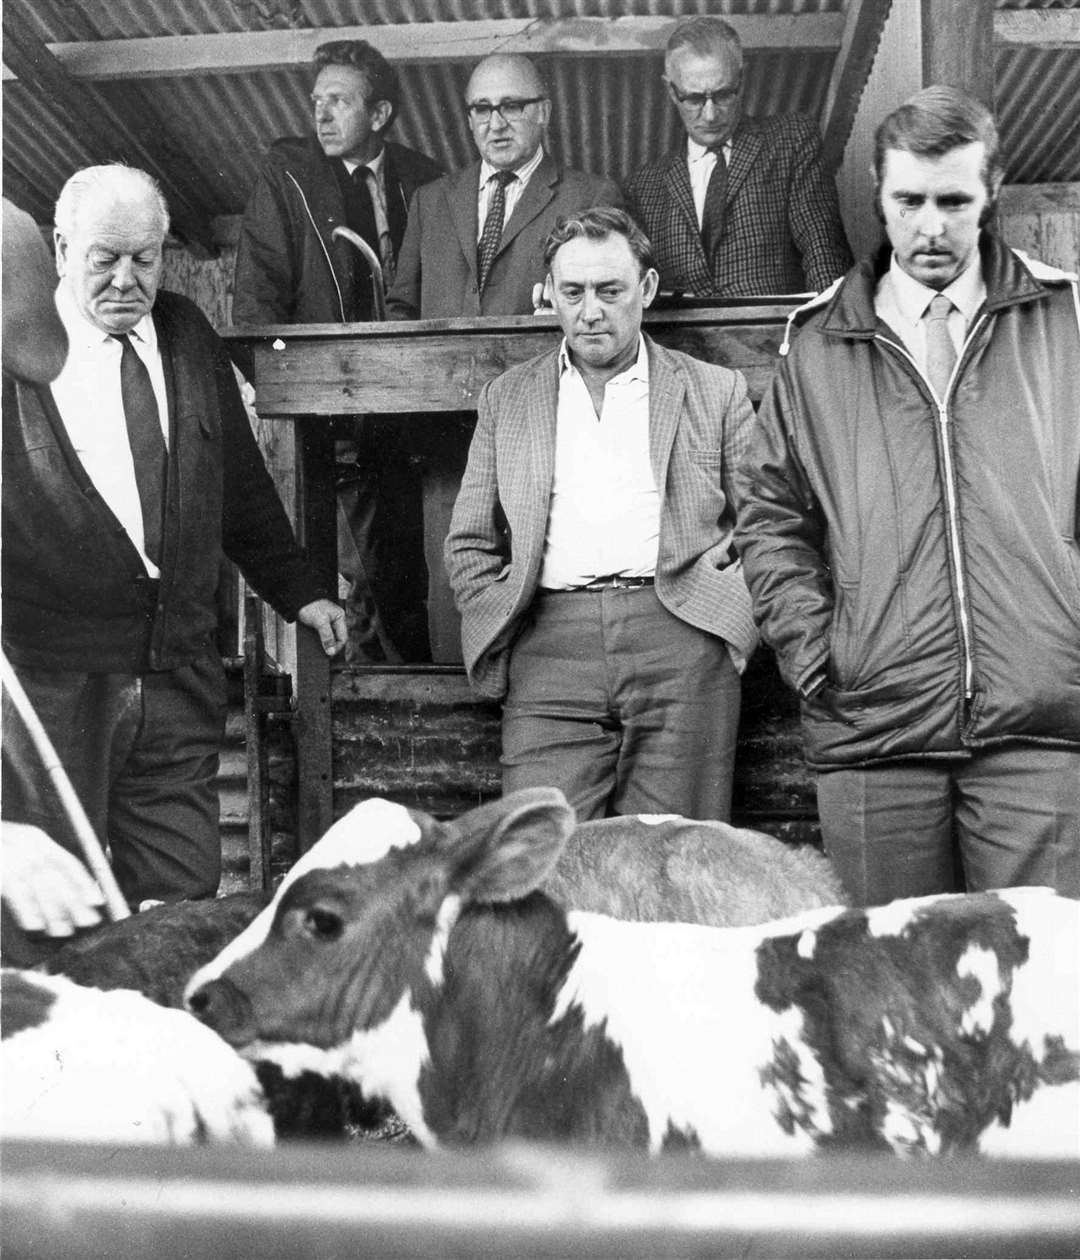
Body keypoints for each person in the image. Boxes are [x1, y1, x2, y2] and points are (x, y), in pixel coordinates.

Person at [734, 85, 1080, 905]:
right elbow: (770, 511)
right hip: (873, 728)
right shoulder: (819, 342)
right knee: (887, 1005)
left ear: (990, 195)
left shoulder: (1063, 320)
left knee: (1043, 1001)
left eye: (954, 201)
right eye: (909, 201)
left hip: (1038, 726)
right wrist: (819, 654)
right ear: (878, 196)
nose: (931, 227)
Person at [1, 163, 347, 911]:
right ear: (61, 249)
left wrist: (300, 592)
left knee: (179, 894)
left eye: (145, 259)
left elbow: (239, 488)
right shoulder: (13, 349)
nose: (127, 279)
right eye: (105, 258)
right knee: (60, 905)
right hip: (58, 686)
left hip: (175, 673)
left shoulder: (187, 332)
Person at [445, 207, 757, 821]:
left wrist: (732, 623)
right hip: (549, 649)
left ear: (646, 290)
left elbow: (767, 526)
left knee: (675, 862)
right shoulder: (509, 398)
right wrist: (504, 626)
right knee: (545, 859)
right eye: (574, 292)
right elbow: (468, 542)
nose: (591, 311)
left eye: (610, 291)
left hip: (681, 640)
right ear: (550, 297)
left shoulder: (714, 390)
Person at [386, 53, 622, 662]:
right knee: (451, 579)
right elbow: (399, 306)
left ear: (543, 113)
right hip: (445, 434)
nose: (497, 121)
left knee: (541, 574)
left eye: (512, 106)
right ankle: (458, 718)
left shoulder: (589, 194)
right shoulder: (433, 200)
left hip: (545, 427)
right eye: (482, 109)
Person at [233, 40, 444, 664]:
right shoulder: (288, 175)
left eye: (339, 102)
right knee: (347, 574)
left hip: (413, 419)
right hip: (328, 423)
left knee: (409, 577)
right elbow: (255, 309)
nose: (321, 115)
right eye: (316, 101)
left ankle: (404, 708)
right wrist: (296, 397)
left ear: (379, 115)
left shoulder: (426, 179)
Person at [625, 16, 852, 298]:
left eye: (723, 95)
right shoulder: (644, 186)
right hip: (682, 343)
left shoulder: (790, 142)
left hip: (778, 336)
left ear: (741, 81)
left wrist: (829, 333)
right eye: (694, 99)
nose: (710, 114)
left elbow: (824, 252)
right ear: (671, 90)